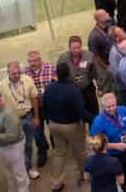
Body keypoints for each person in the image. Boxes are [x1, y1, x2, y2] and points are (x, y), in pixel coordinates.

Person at [41, 63, 87, 191]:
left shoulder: (49, 88)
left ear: (56, 74)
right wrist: (93, 119)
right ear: (69, 74)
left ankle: (56, 183)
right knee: (80, 151)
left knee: (59, 154)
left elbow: (44, 106)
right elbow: (80, 110)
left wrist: (48, 121)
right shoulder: (73, 89)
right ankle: (84, 175)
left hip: (54, 125)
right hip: (71, 126)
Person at [0, 62, 41, 180]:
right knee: (17, 147)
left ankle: (28, 168)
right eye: (13, 73)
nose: (16, 75)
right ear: (8, 72)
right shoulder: (1, 86)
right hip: (13, 121)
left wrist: (36, 117)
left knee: (28, 145)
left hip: (28, 116)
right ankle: (24, 170)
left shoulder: (27, 80)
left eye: (18, 73)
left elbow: (34, 98)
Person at [0, 90, 30, 192]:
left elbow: (12, 136)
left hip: (14, 146)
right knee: (8, 169)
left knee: (18, 172)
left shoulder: (9, 113)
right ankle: (12, 189)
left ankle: (23, 189)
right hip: (2, 145)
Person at [88, 94, 126, 188]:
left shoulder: (123, 110)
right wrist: (115, 146)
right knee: (116, 176)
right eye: (108, 107)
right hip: (111, 156)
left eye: (114, 105)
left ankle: (121, 187)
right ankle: (119, 188)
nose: (112, 108)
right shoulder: (98, 122)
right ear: (103, 107)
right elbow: (95, 143)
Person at [56, 36, 97, 120]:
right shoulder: (62, 58)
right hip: (72, 90)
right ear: (69, 47)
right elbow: (59, 75)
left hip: (87, 88)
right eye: (74, 48)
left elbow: (95, 72)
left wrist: (100, 87)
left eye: (79, 47)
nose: (77, 50)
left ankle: (95, 131)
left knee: (93, 112)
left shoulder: (89, 55)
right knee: (77, 114)